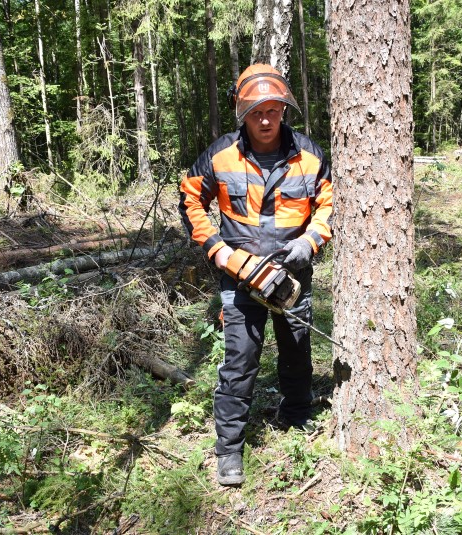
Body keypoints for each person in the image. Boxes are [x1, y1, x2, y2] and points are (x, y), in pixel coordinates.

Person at [178, 64, 333, 486]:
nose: (265, 121)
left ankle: (297, 415)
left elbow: (328, 204)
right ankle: (229, 449)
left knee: (297, 348)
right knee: (240, 359)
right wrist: (219, 251)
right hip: (240, 274)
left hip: (291, 272)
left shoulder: (309, 155)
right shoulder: (221, 154)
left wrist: (309, 242)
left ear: (284, 110)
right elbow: (190, 200)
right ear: (243, 113)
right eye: (256, 113)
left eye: (273, 111)